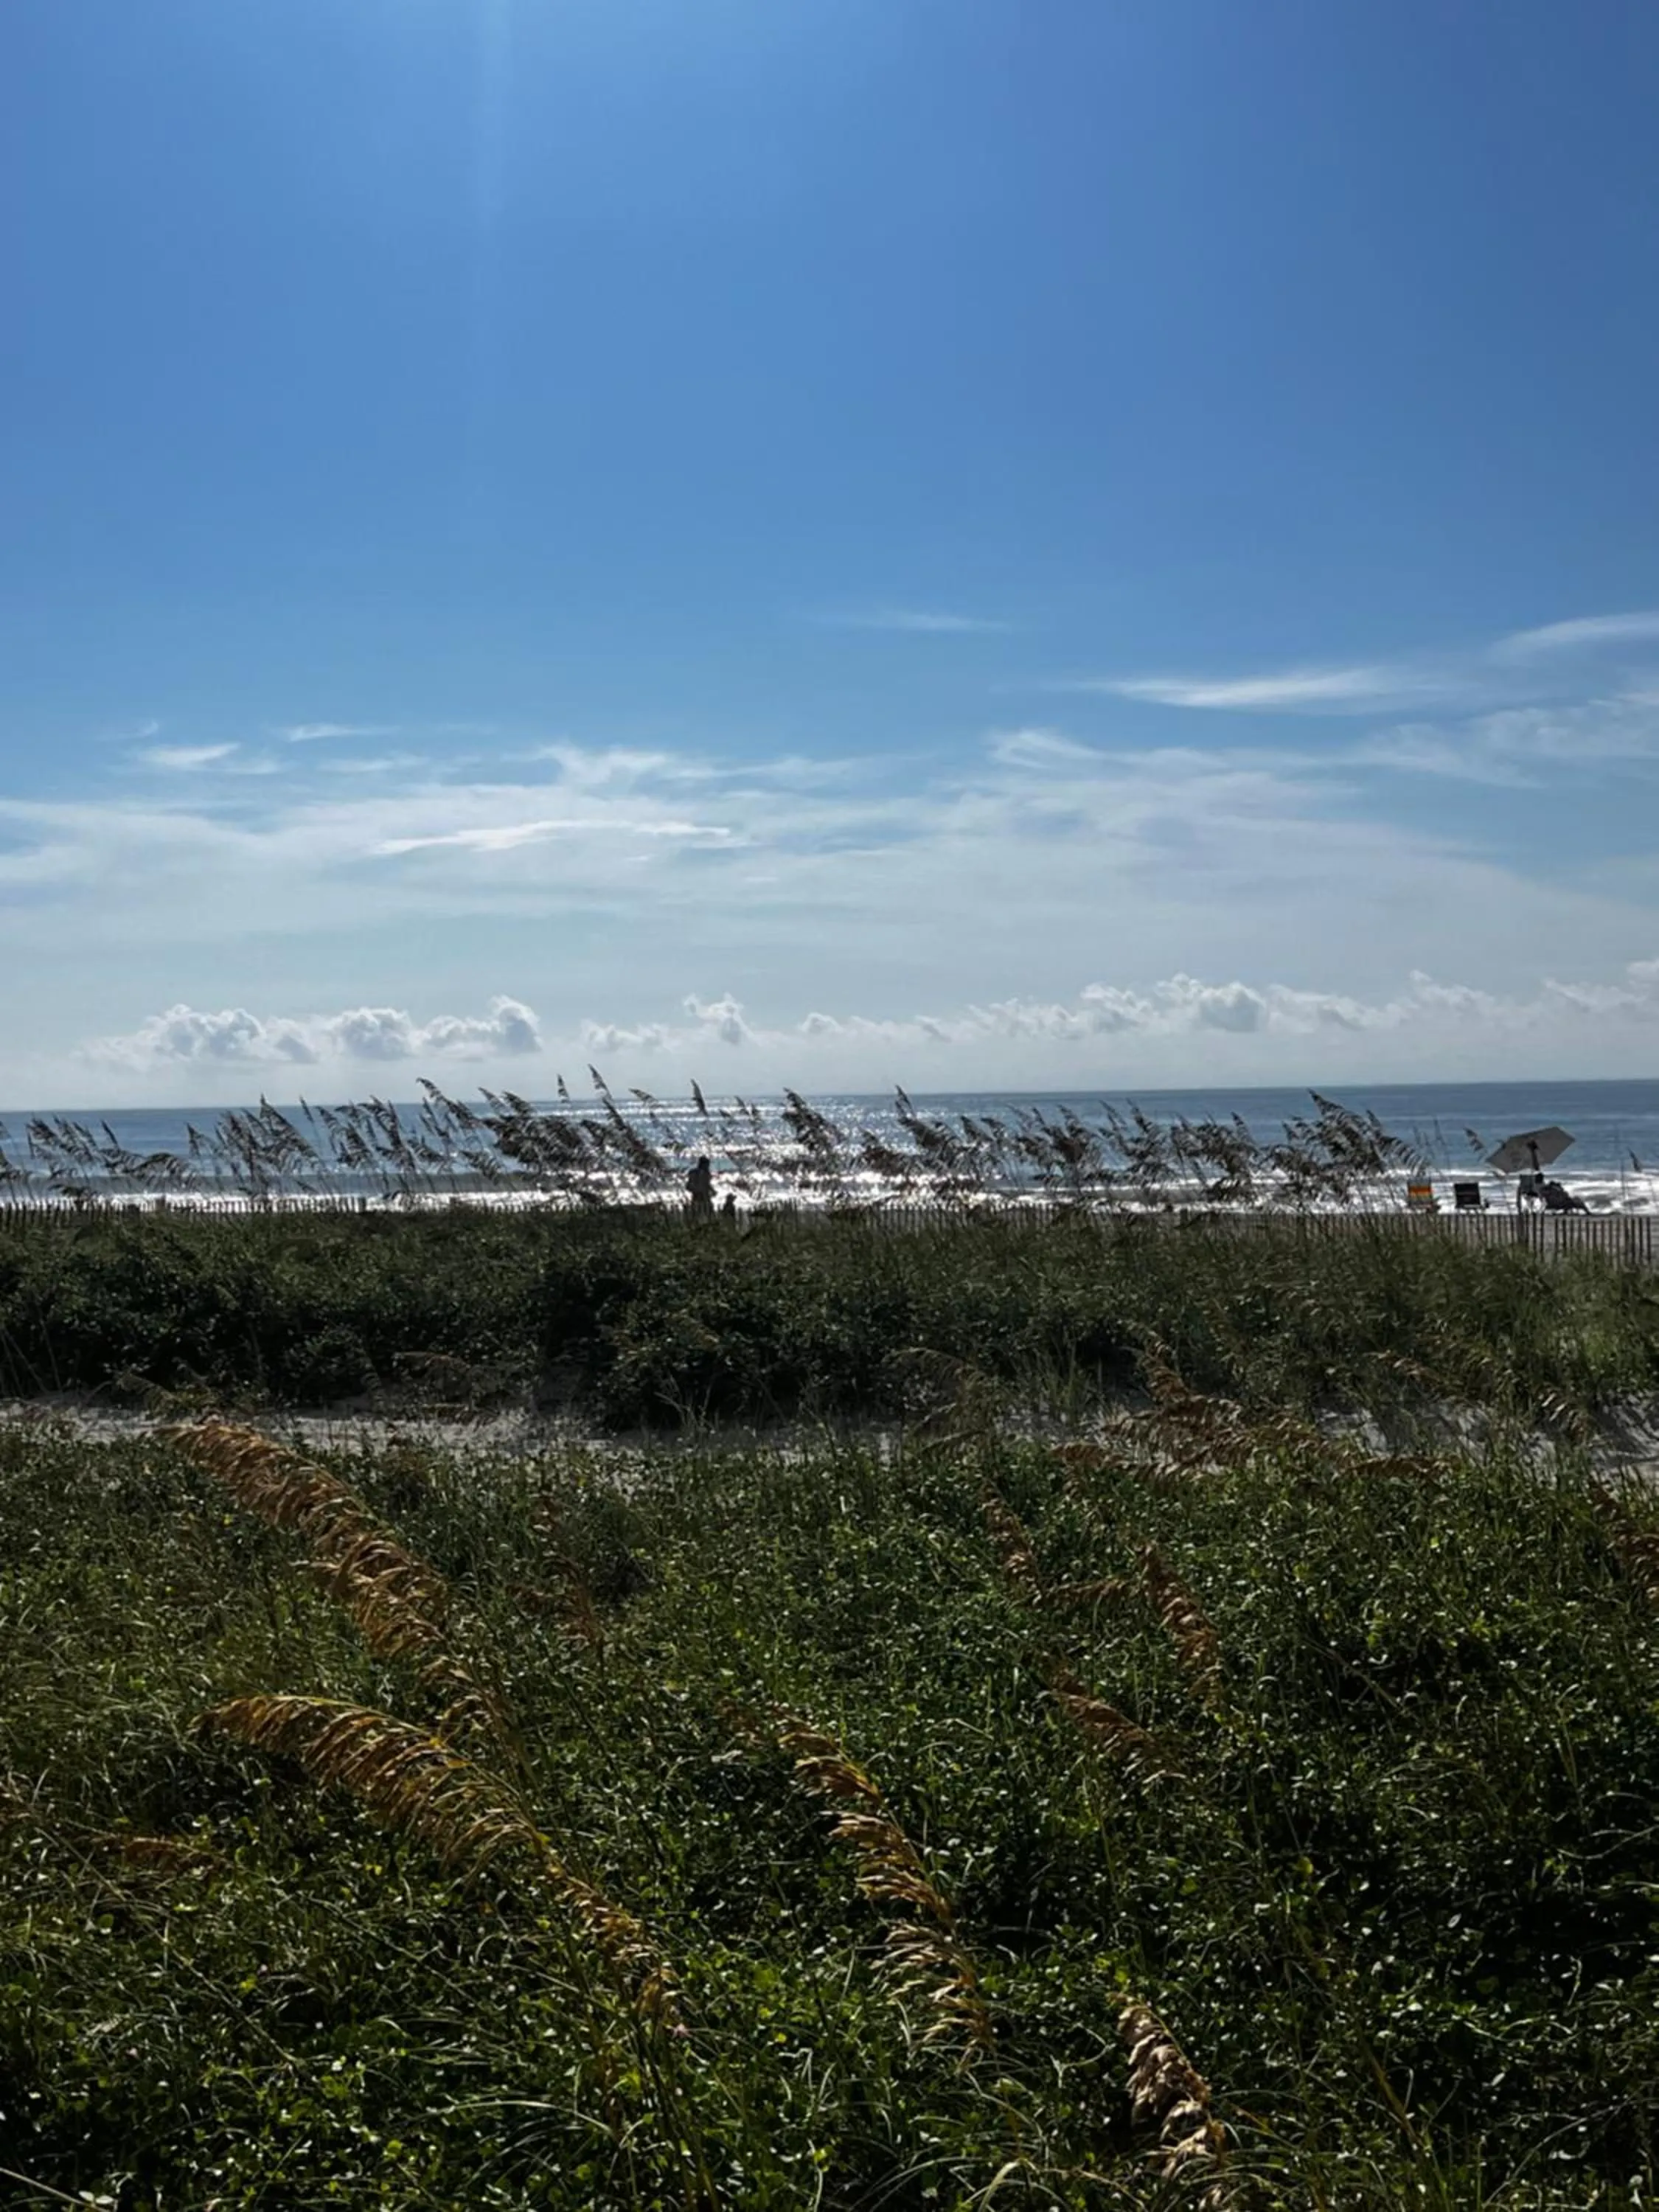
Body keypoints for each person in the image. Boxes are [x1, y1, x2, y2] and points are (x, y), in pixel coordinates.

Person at [686, 1155, 714, 1220]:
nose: (708, 1167)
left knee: (707, 1212)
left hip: (704, 1196)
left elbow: (707, 1184)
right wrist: (697, 1189)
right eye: (707, 1165)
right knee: (699, 1213)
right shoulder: (695, 1173)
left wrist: (712, 1191)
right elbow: (689, 1185)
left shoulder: (705, 1173)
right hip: (699, 1196)